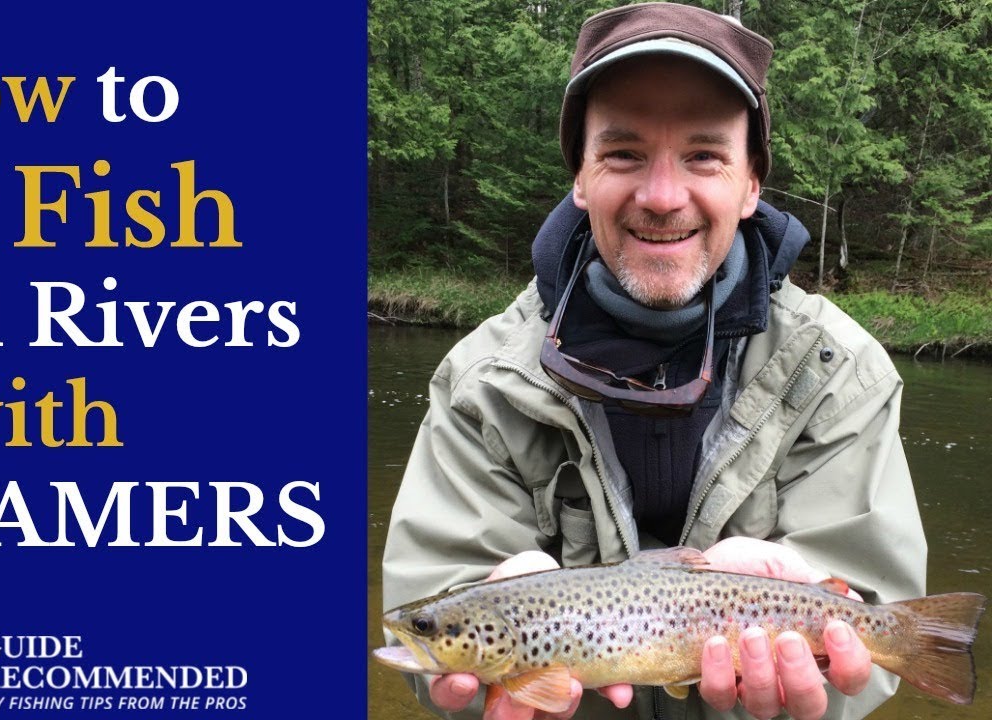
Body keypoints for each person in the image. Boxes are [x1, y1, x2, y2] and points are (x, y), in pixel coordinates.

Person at [381, 3, 926, 720]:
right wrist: (477, 668)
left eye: (703, 155)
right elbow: (439, 616)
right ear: (580, 176)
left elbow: (874, 625)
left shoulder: (836, 368)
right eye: (624, 153)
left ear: (752, 182)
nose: (663, 197)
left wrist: (827, 656)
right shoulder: (483, 381)